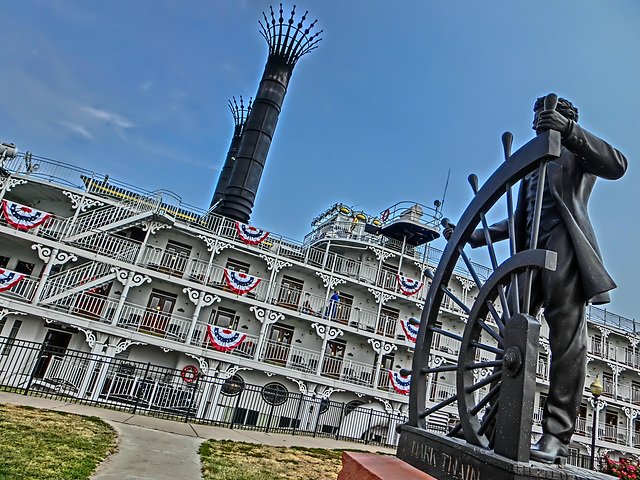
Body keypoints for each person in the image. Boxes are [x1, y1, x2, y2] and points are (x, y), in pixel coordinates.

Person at [445, 94, 627, 464]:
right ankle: (492, 425)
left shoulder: (578, 151)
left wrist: (571, 132)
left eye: (544, 115)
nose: (537, 122)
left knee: (566, 339)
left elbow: (618, 164)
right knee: (511, 336)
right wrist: (475, 235)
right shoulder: (532, 165)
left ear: (562, 117)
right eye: (535, 116)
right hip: (528, 250)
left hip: (565, 242)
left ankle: (557, 435)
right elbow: (519, 218)